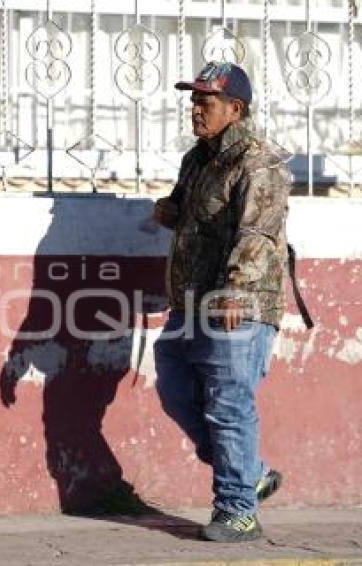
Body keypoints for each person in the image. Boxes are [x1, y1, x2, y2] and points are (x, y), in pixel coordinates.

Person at [152, 62, 289, 542]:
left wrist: (235, 289)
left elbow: (258, 232)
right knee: (175, 390)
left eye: (205, 102)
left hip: (238, 304)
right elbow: (192, 213)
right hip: (189, 302)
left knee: (228, 407)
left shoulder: (259, 162)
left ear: (235, 109)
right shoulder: (197, 158)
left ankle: (238, 511)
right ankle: (251, 474)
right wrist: (170, 212)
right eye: (193, 101)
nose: (195, 109)